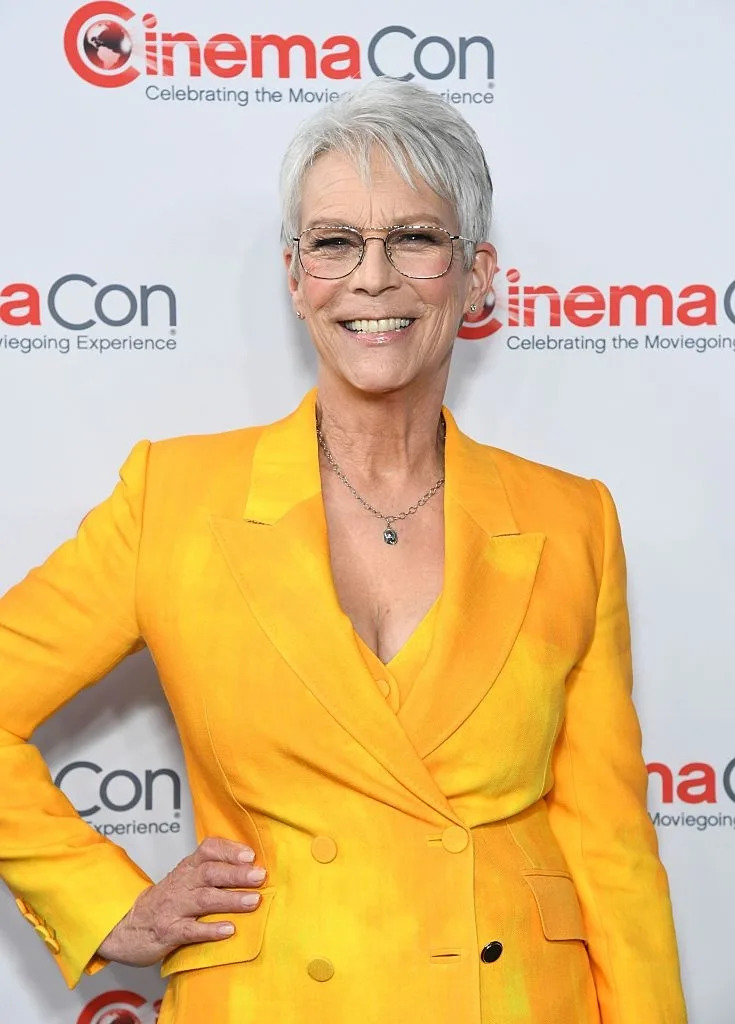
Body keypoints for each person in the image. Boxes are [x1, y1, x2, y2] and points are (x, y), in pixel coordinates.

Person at [0, 78, 687, 1024]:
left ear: (476, 276)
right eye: (333, 242)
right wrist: (103, 902)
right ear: (295, 277)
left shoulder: (572, 520)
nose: (372, 278)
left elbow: (611, 848)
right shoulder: (174, 498)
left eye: (415, 238)